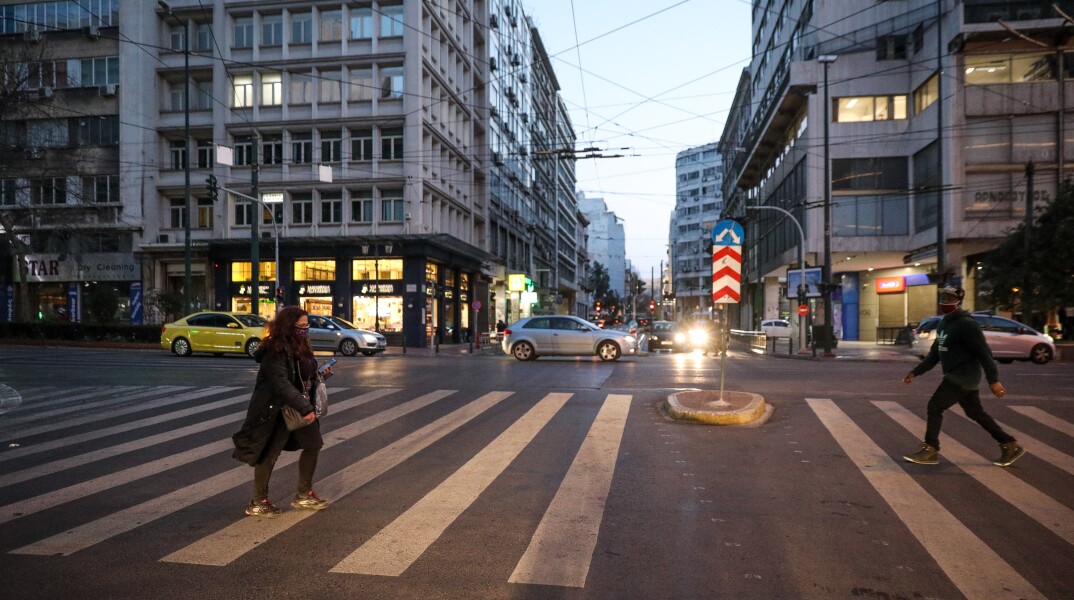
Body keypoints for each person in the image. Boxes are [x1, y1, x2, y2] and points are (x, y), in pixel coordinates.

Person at [902, 284, 1025, 467]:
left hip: (962, 377)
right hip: (957, 376)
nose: (945, 302)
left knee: (935, 406)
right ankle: (1009, 444)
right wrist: (915, 372)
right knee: (976, 413)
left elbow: (984, 353)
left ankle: (931, 449)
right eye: (943, 298)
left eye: (950, 299)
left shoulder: (967, 325)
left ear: (959, 302)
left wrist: (994, 380)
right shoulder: (944, 323)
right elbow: (935, 354)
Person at [232, 306, 329, 517]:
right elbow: (281, 383)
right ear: (288, 326)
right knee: (269, 453)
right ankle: (258, 501)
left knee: (313, 444)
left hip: (297, 405)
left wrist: (320, 373)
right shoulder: (275, 350)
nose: (305, 329)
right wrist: (305, 407)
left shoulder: (300, 345)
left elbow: (302, 376)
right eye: (301, 326)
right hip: (277, 408)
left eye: (306, 325)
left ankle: (304, 494)